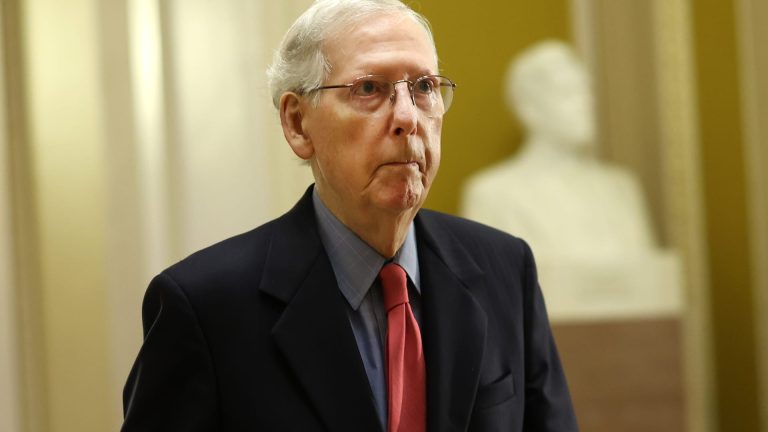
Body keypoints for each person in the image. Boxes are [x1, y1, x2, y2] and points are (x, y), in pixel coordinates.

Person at [121, 1, 578, 431]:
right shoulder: (204, 307)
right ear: (297, 124)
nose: (407, 117)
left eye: (424, 87)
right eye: (369, 88)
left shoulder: (506, 269)